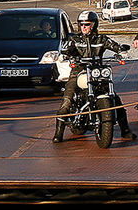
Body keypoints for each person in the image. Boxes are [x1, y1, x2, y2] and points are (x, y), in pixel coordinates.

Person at [54, 10, 132, 141]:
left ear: (94, 25)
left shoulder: (101, 39)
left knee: (116, 100)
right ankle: (58, 133)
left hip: (97, 72)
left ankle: (125, 130)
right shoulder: (74, 39)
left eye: (87, 24)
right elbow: (65, 49)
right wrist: (64, 55)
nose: (84, 27)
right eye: (82, 24)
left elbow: (114, 45)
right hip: (79, 71)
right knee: (67, 100)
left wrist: (121, 51)